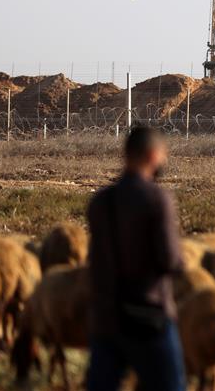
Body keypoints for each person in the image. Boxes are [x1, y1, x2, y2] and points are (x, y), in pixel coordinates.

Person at [85, 126, 186, 391]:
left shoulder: (100, 202)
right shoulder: (156, 199)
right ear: (153, 155)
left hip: (107, 319)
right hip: (149, 317)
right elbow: (169, 260)